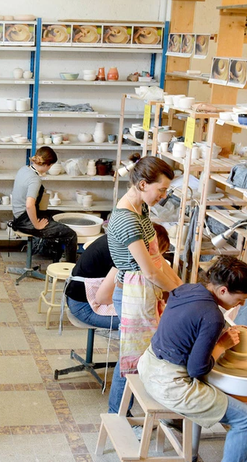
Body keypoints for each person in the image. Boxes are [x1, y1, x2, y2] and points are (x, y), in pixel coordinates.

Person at [138, 256, 247, 462]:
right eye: (241, 299)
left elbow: (190, 328)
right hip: (170, 385)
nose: (242, 303)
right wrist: (221, 345)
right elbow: (197, 369)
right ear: (223, 291)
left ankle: (190, 443)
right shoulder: (213, 316)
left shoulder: (188, 289)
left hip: (148, 364)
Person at [106, 156, 181, 414]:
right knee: (131, 359)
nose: (163, 195)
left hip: (145, 288)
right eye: (160, 190)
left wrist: (180, 285)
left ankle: (132, 411)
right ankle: (118, 414)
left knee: (141, 357)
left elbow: (156, 257)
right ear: (141, 185)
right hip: (131, 291)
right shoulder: (126, 219)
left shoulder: (142, 209)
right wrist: (179, 292)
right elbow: (148, 271)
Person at [65, 223, 171, 330]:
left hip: (83, 295)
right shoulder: (125, 255)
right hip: (84, 307)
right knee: (150, 321)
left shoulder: (124, 238)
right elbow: (102, 298)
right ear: (151, 247)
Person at [11, 146, 77, 262]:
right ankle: (72, 271)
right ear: (48, 165)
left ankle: (57, 258)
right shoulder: (34, 179)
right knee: (70, 234)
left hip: (19, 216)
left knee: (61, 215)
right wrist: (36, 224)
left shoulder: (24, 169)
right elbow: (29, 205)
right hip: (26, 221)